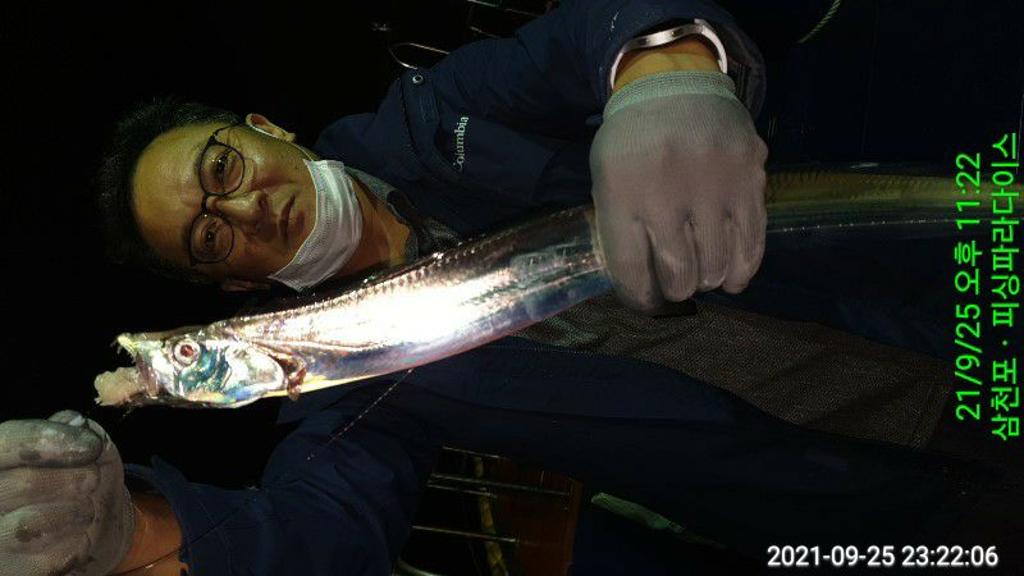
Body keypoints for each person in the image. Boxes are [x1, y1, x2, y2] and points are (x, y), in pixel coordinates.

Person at [0, 1, 1007, 574]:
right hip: (888, 514)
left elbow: (582, 38)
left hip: (950, 305)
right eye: (210, 238)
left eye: (220, 170)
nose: (246, 209)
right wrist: (139, 531)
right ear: (224, 284)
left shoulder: (437, 117)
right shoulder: (350, 387)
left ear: (263, 129)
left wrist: (662, 70)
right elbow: (318, 530)